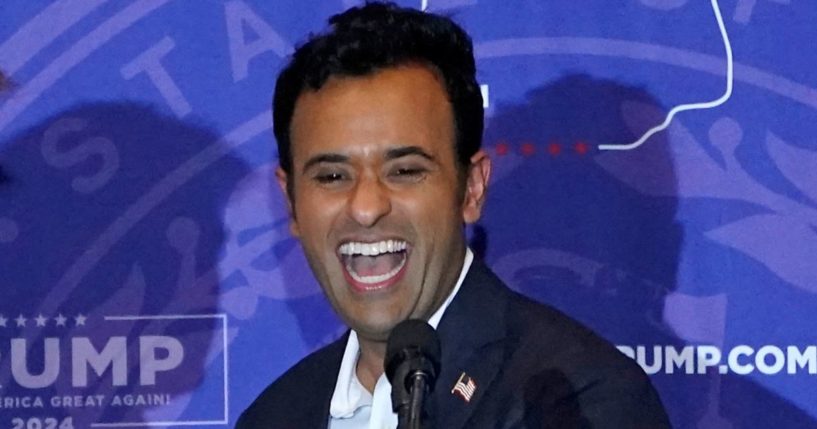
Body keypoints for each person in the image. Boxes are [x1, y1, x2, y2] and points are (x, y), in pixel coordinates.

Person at [237, 2, 670, 428]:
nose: (366, 208)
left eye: (405, 171)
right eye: (332, 176)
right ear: (291, 201)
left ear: (472, 188)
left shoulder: (575, 402)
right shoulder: (275, 415)